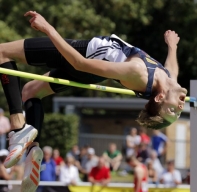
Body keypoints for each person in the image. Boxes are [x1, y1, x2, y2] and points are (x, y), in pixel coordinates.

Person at [0, 10, 186, 191]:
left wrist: (48, 28)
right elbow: (172, 69)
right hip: (91, 74)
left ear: (160, 97)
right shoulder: (168, 81)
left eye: (172, 111)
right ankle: (33, 149)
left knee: (2, 52)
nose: (179, 108)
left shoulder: (138, 72)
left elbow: (80, 63)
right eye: (178, 113)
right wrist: (172, 46)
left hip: (83, 56)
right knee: (30, 91)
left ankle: (18, 128)